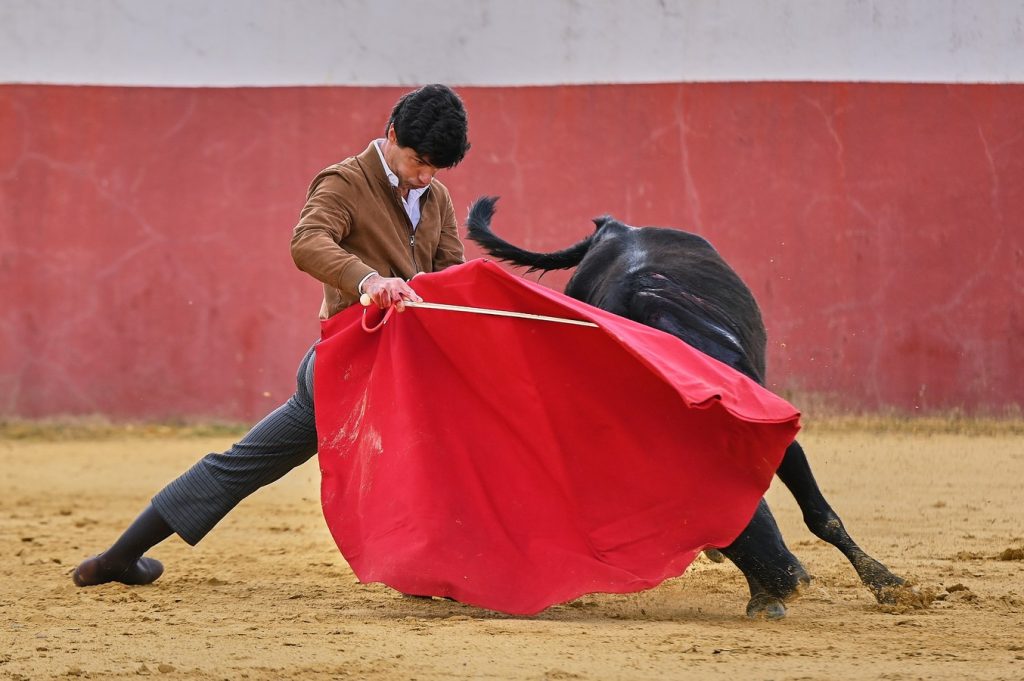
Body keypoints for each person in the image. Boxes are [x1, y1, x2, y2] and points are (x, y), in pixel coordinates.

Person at [73, 84, 472, 586]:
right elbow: (307, 242)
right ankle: (115, 559)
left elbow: (448, 273)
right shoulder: (345, 182)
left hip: (401, 365)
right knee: (245, 465)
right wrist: (369, 280)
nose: (425, 176)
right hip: (351, 362)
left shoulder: (435, 197)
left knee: (444, 449)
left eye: (436, 168)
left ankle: (447, 567)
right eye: (418, 161)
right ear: (392, 134)